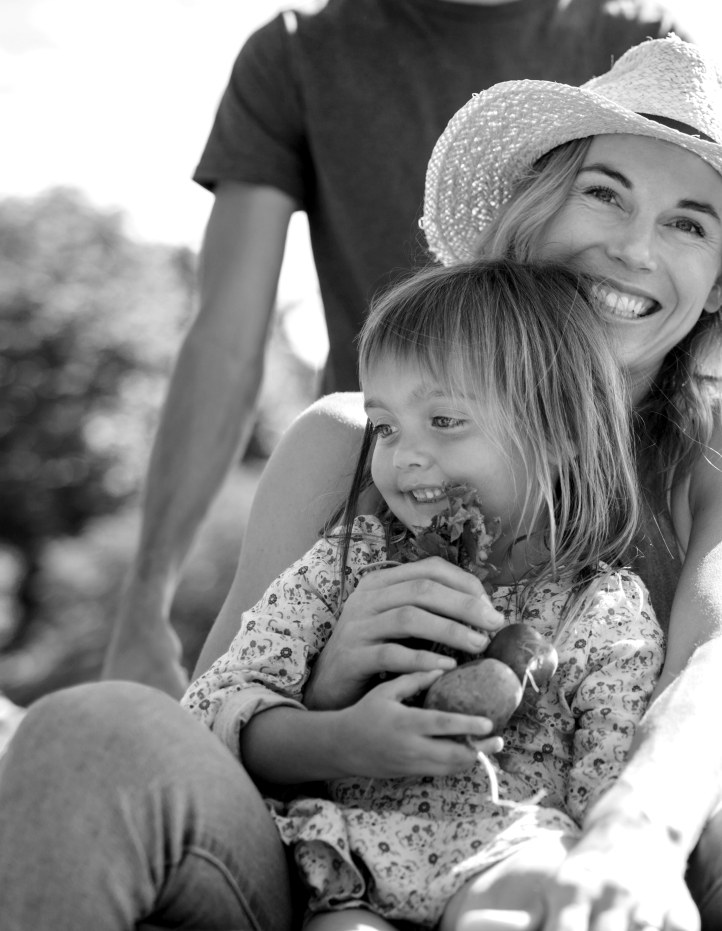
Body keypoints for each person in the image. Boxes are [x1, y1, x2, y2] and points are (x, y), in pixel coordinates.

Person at [0, 38, 722, 931]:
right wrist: (333, 687)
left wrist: (635, 837)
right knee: (87, 731)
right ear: (531, 213)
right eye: (603, 191)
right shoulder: (351, 441)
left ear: (716, 288)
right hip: (323, 864)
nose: (634, 245)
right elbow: (211, 723)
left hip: (595, 854)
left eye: (690, 223)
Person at [104, 0, 685, 696]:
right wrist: (145, 594)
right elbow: (227, 334)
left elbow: (679, 294)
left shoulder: (630, 46)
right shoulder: (296, 55)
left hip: (596, 537)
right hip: (373, 527)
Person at [185, 259, 664, 929]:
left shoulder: (601, 610)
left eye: (444, 420)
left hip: (508, 851)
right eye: (385, 426)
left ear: (557, 437)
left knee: (529, 897)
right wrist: (339, 738)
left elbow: (608, 786)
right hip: (347, 868)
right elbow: (211, 711)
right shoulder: (346, 569)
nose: (404, 455)